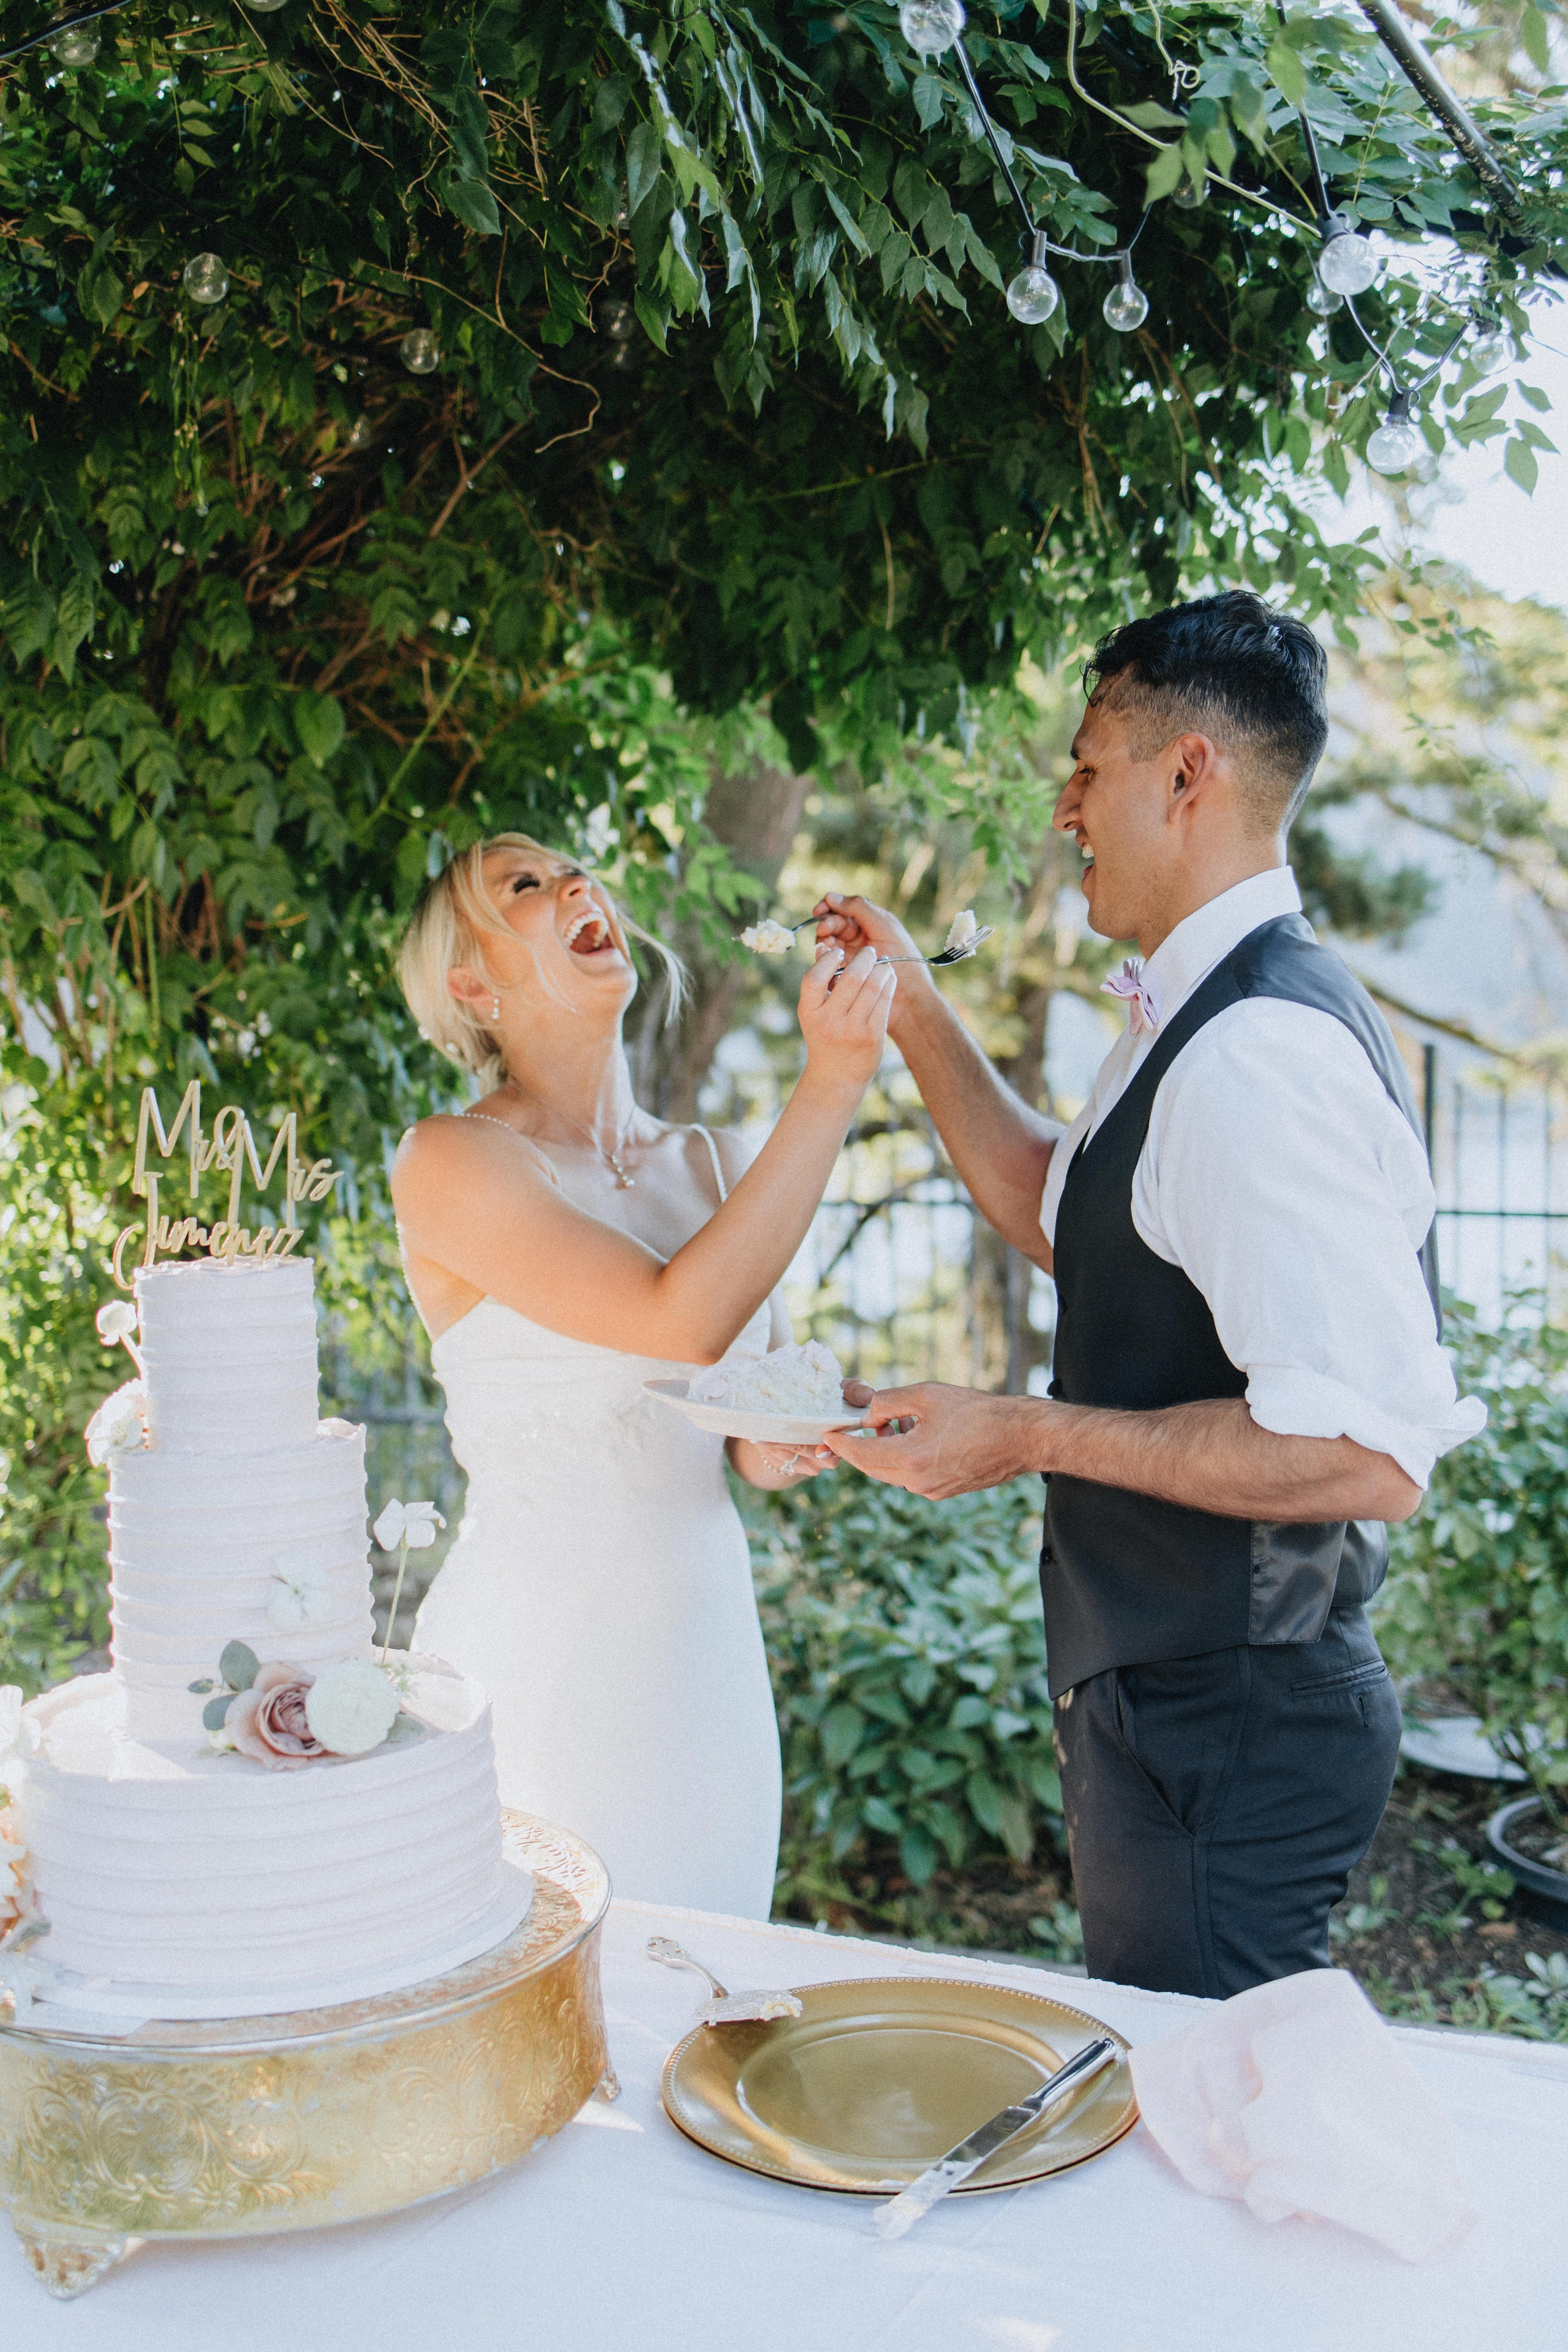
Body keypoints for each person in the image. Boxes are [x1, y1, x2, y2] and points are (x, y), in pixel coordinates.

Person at [814, 590, 1485, 1999]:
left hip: (1226, 1719)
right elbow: (1065, 1217)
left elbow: (1358, 1455)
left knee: (1205, 2107)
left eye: (1084, 768)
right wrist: (909, 1002)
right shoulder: (1194, 1015)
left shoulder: (1252, 1054)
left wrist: (1021, 1432)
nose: (1062, 808)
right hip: (1183, 1703)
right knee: (1203, 2090)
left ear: (1185, 774)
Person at [390, 833, 892, 1918]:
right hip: (539, 1669)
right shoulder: (449, 1160)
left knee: (705, 1974)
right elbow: (684, 1321)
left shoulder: (712, 1163)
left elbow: (747, 1436)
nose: (578, 885)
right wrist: (835, 1078)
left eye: (572, 870)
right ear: (472, 986)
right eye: (525, 886)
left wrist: (800, 1434)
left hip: (707, 1664)